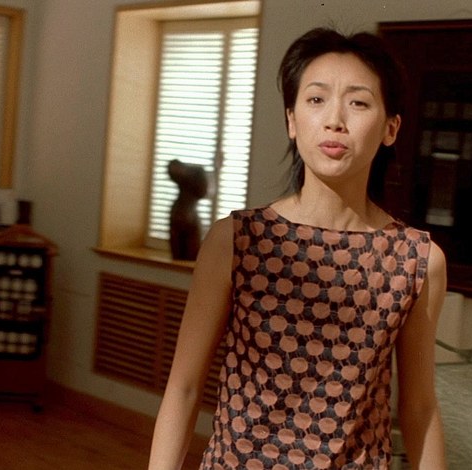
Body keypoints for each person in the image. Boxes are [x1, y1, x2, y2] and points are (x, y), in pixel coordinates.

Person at [148, 27, 448, 470]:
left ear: (391, 128)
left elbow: (420, 409)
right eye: (316, 99)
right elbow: (184, 388)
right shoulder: (237, 240)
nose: (334, 119)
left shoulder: (417, 260)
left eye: (358, 102)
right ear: (291, 121)